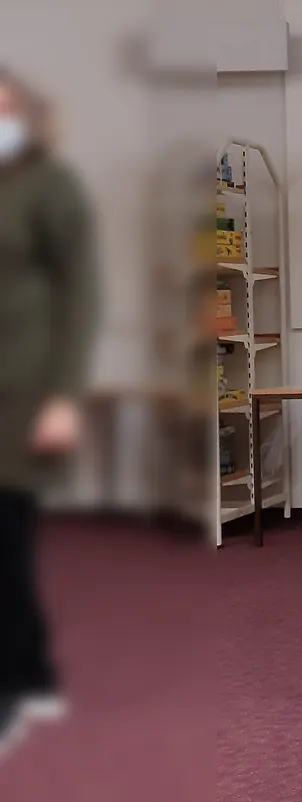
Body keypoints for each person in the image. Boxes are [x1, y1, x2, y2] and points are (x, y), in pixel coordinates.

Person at [0, 68, 96, 759]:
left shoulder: (51, 187)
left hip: (23, 390)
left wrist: (62, 395)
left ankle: (15, 681)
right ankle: (34, 671)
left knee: (6, 539)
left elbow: (80, 296)